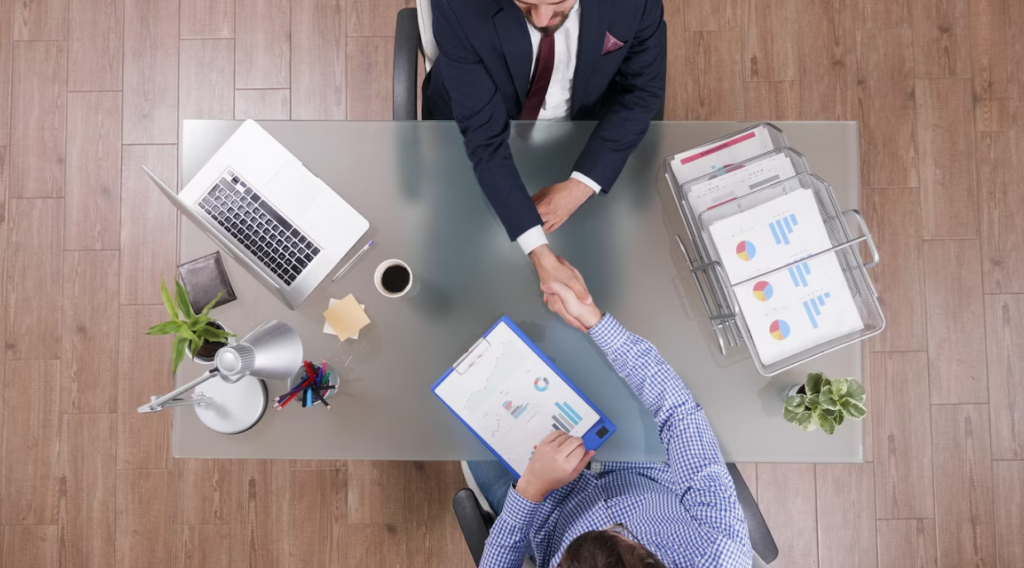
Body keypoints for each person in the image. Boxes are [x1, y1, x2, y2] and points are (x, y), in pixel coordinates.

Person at [467, 260, 752, 567]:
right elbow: (680, 414)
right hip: (633, 461)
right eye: (619, 528)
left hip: (543, 507)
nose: (607, 519)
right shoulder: (721, 554)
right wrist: (593, 320)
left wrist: (532, 488)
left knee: (464, 376)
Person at [420, 0, 667, 330]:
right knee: (451, 288)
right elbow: (484, 141)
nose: (540, 19)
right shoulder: (459, 5)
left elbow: (641, 92)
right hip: (474, 128)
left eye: (555, 3)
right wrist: (538, 252)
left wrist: (580, 185)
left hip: (584, 139)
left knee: (606, 292)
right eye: (525, 2)